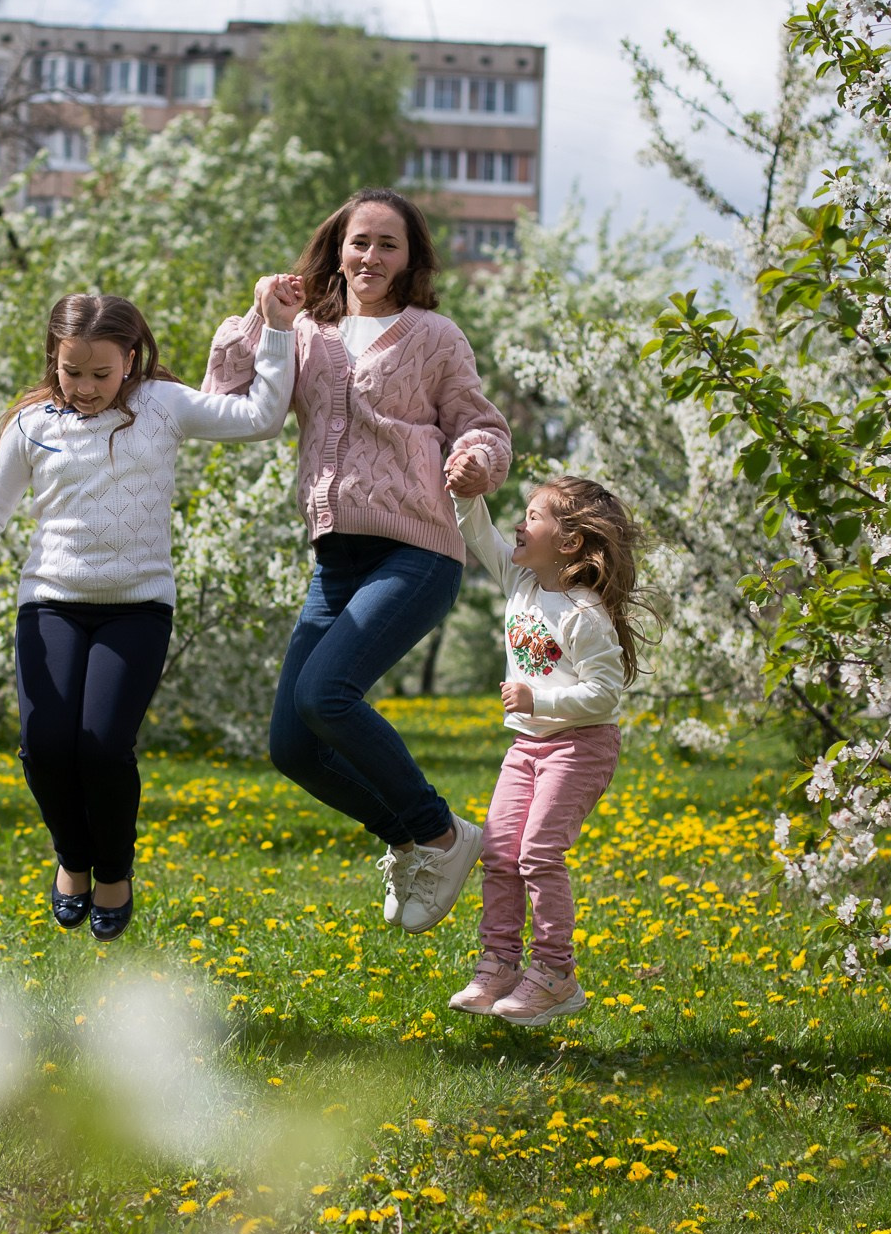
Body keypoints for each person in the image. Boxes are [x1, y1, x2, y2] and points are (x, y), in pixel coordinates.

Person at [201, 187, 513, 934]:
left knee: (326, 695)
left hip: (416, 549)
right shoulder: (305, 330)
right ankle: (411, 837)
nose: (371, 256)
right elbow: (228, 397)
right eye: (359, 241)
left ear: (411, 259)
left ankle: (438, 832)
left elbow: (481, 427)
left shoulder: (435, 335)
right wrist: (262, 319)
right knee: (292, 745)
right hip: (335, 561)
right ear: (337, 248)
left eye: (388, 244)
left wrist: (474, 461)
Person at [0, 293, 292, 940]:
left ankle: (114, 872)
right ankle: (73, 859)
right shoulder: (33, 424)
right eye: (71, 371)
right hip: (49, 601)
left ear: (130, 359)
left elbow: (262, 417)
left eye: (101, 374)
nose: (84, 387)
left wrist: (275, 329)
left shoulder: (162, 405)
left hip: (137, 607)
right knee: (46, 747)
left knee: (102, 748)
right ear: (55, 358)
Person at [447, 477, 642, 1026]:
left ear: (569, 542)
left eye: (534, 515)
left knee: (537, 854)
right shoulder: (521, 584)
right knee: (500, 850)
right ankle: (502, 964)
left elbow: (604, 694)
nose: (519, 522)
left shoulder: (583, 614)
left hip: (581, 746)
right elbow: (477, 530)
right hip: (527, 746)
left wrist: (539, 697)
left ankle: (557, 974)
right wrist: (464, 489)